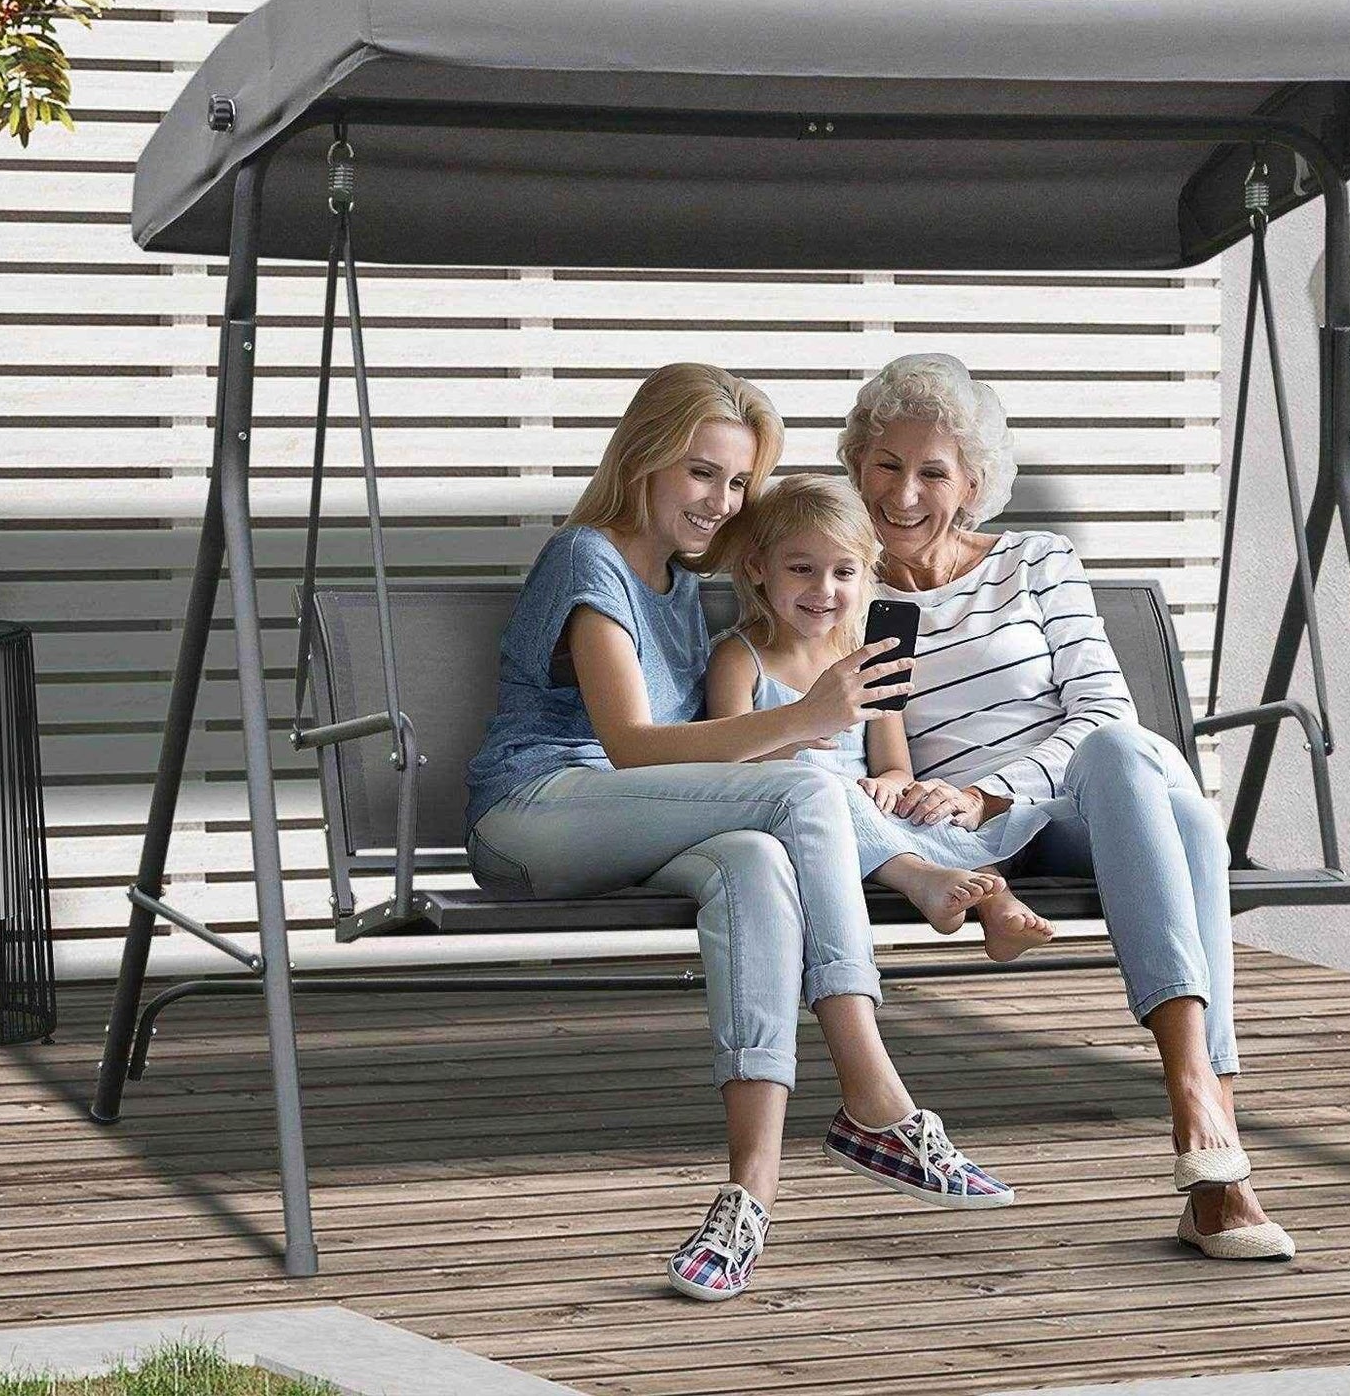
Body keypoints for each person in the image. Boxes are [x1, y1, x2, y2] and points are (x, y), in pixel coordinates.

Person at [463, 364, 1015, 1305]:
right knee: (799, 788)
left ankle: (748, 1193)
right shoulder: (585, 555)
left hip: (640, 816)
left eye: (736, 485)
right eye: (701, 474)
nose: (721, 503)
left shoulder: (679, 583)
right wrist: (805, 720)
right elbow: (634, 748)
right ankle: (876, 1092)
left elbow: (690, 761)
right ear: (645, 458)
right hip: (539, 811)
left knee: (758, 864)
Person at [839, 352, 1296, 1262]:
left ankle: (1194, 1102)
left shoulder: (1037, 562)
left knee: (1127, 755)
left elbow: (1104, 713)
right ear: (857, 467)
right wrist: (955, 806)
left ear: (972, 484)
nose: (905, 493)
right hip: (973, 836)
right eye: (887, 464)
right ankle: (1214, 1156)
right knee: (1196, 828)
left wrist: (992, 787)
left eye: (934, 471)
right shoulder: (848, 589)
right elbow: (857, 743)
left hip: (1080, 804)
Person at [704, 473, 1056, 963]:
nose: (823, 590)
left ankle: (997, 906)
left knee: (932, 812)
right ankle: (920, 880)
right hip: (789, 819)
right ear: (760, 567)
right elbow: (728, 768)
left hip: (867, 812)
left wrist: (890, 785)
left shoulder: (868, 659)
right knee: (830, 796)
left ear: (866, 574)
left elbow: (894, 764)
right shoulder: (740, 659)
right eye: (802, 568)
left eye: (843, 573)